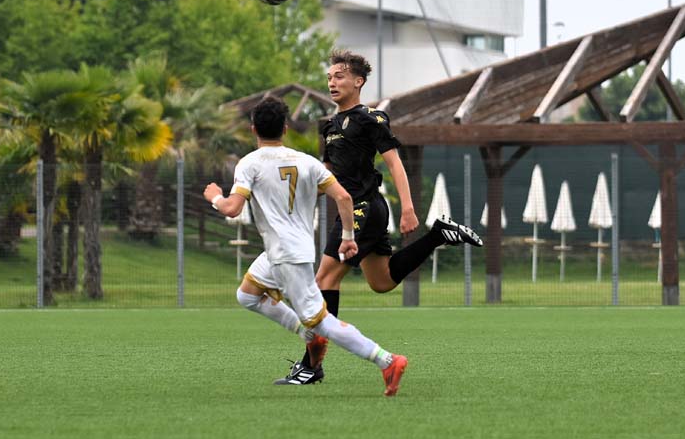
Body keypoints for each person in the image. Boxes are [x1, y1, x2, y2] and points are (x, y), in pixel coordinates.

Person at [279, 49, 483, 385]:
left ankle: (311, 365)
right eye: (329, 77)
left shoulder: (371, 118)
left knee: (324, 280)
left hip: (365, 208)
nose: (332, 82)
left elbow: (394, 164)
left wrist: (408, 208)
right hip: (352, 210)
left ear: (358, 82)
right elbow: (326, 178)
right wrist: (293, 200)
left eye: (339, 76)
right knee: (382, 281)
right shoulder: (328, 126)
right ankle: (438, 235)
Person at [203, 96, 408, 396]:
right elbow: (344, 197)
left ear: (253, 129)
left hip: (287, 256)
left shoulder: (249, 163)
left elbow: (232, 209)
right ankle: (308, 335)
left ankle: (387, 360)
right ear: (285, 128)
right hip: (283, 251)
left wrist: (215, 198)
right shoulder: (308, 162)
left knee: (322, 320)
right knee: (247, 295)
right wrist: (348, 237)